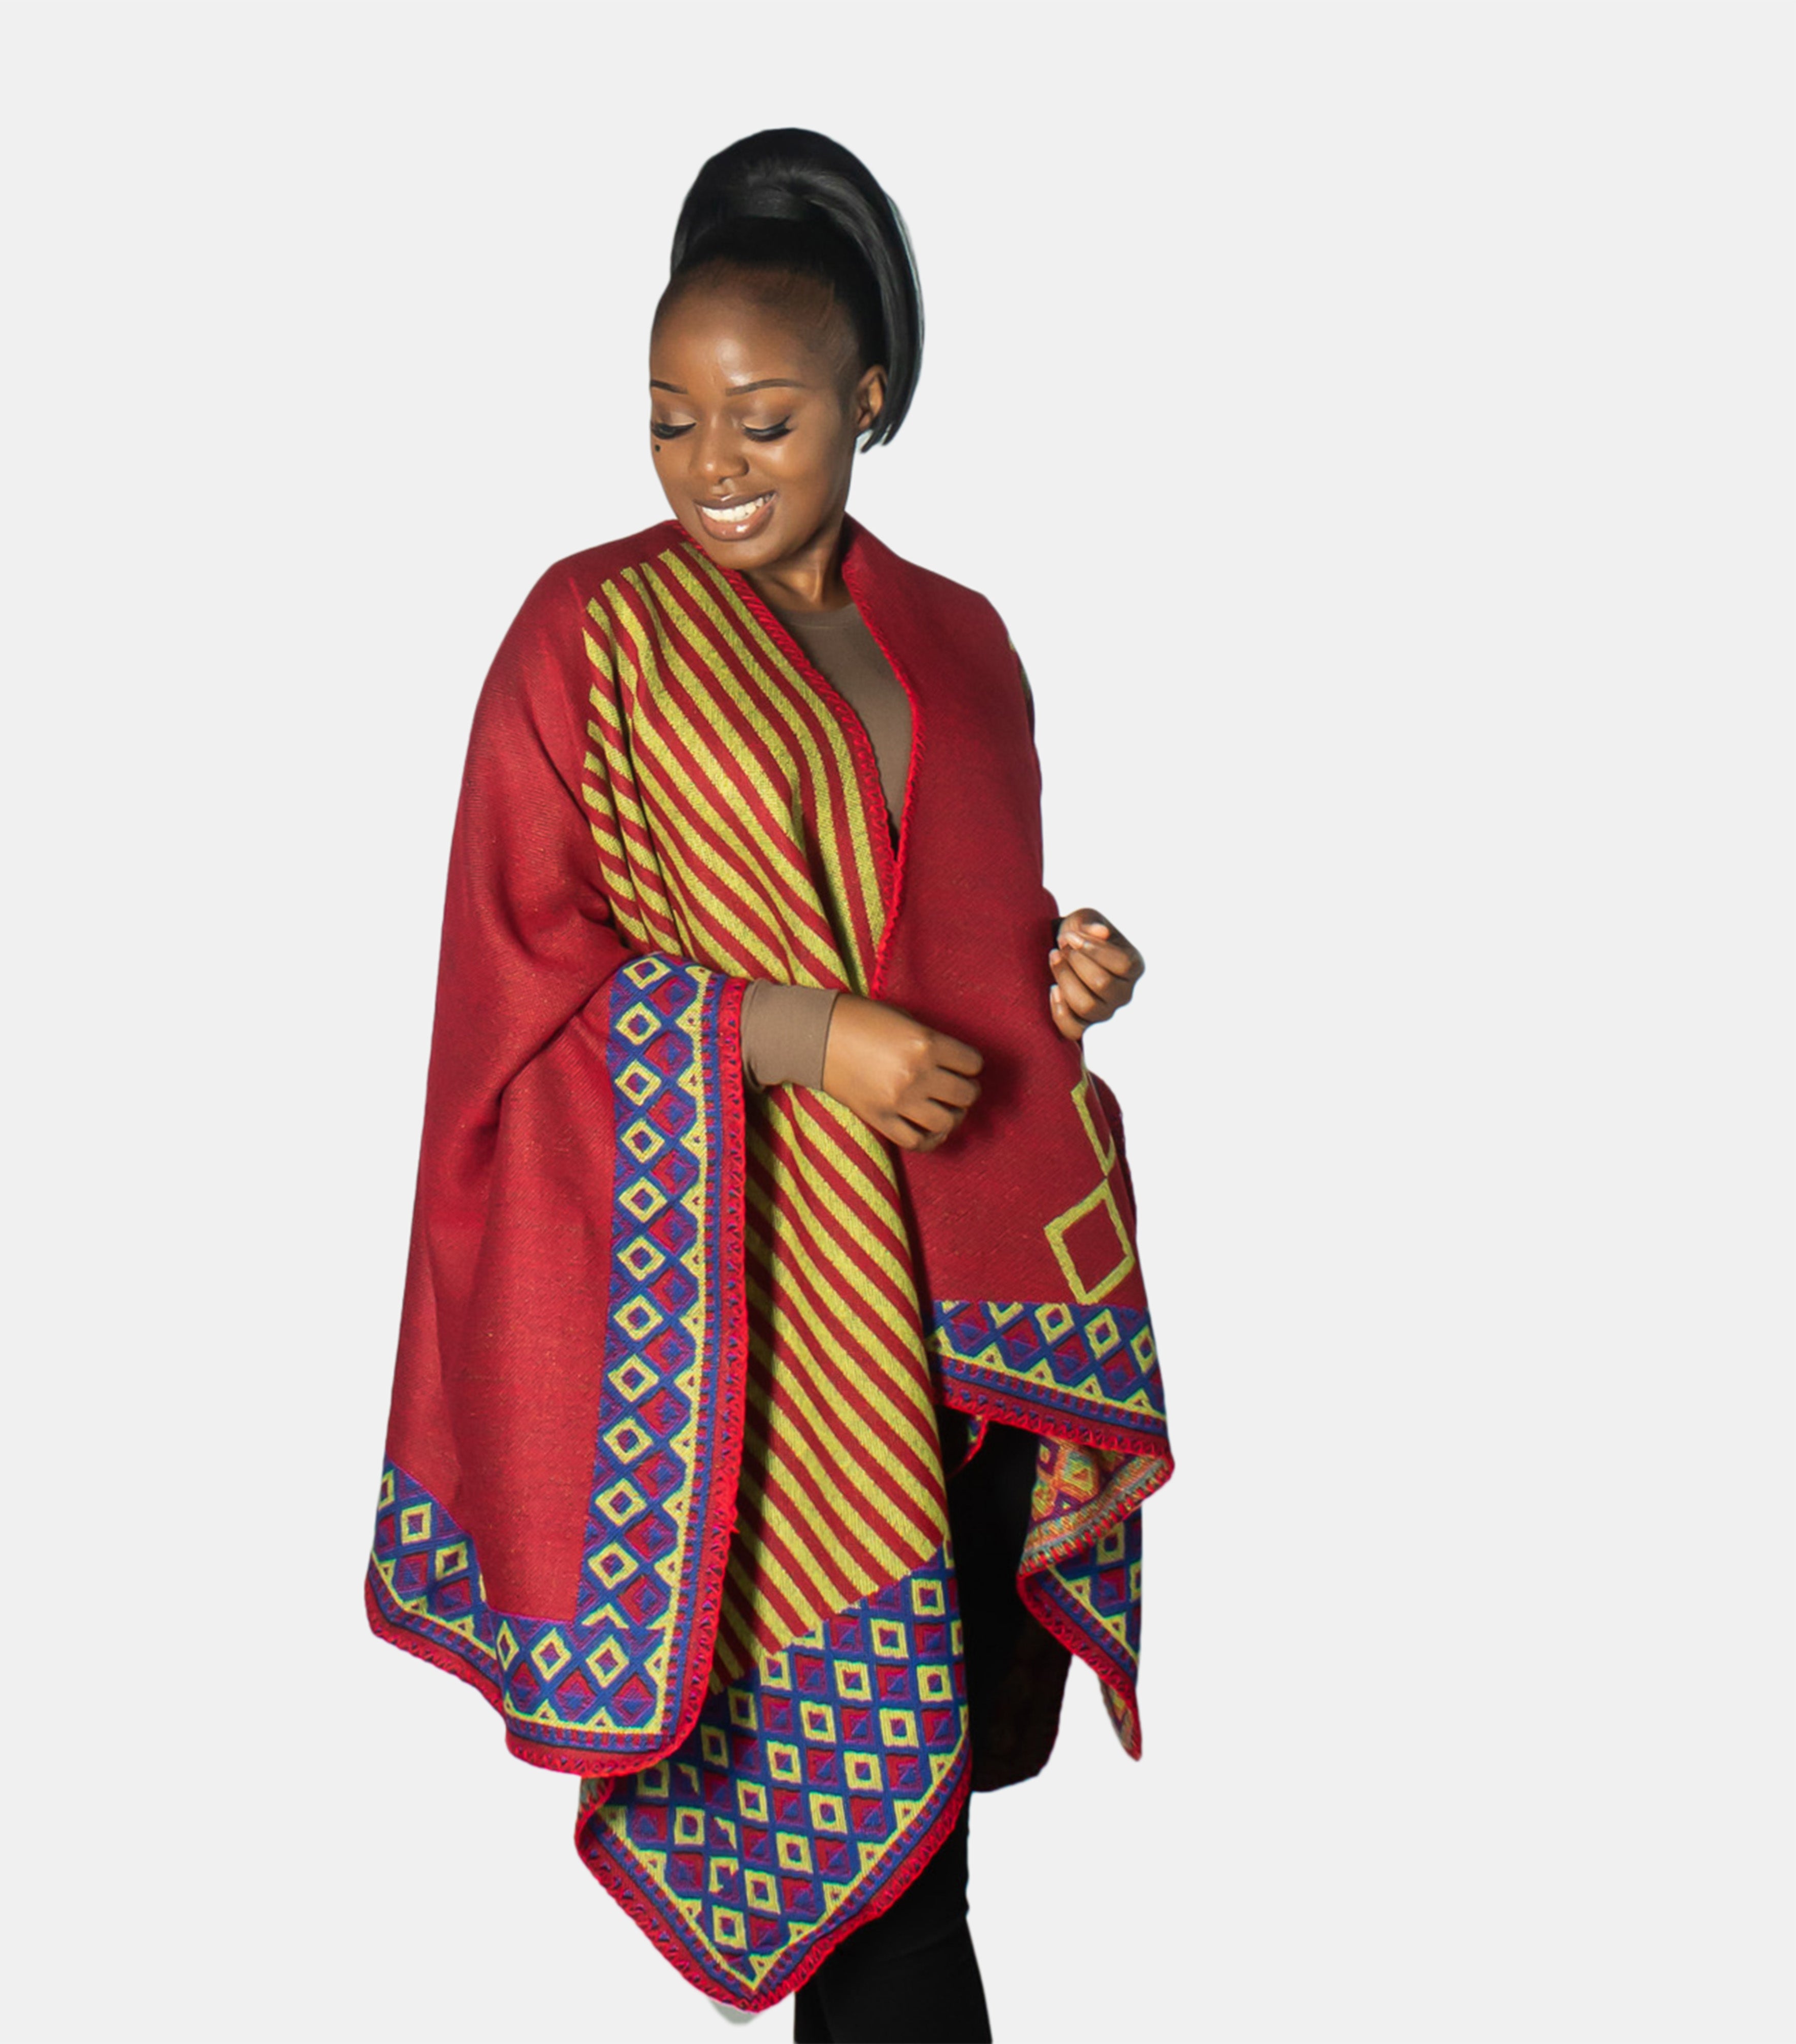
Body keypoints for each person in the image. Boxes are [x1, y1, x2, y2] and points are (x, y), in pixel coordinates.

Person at [364, 130, 1175, 2042]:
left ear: (869, 397)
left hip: (974, 1319)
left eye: (766, 421)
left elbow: (959, 933)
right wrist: (804, 1037)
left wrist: (1072, 966)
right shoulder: (590, 636)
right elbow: (517, 1001)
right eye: (671, 423)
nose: (711, 467)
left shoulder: (962, 641)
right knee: (897, 1891)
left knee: (924, 1849)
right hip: (760, 1340)